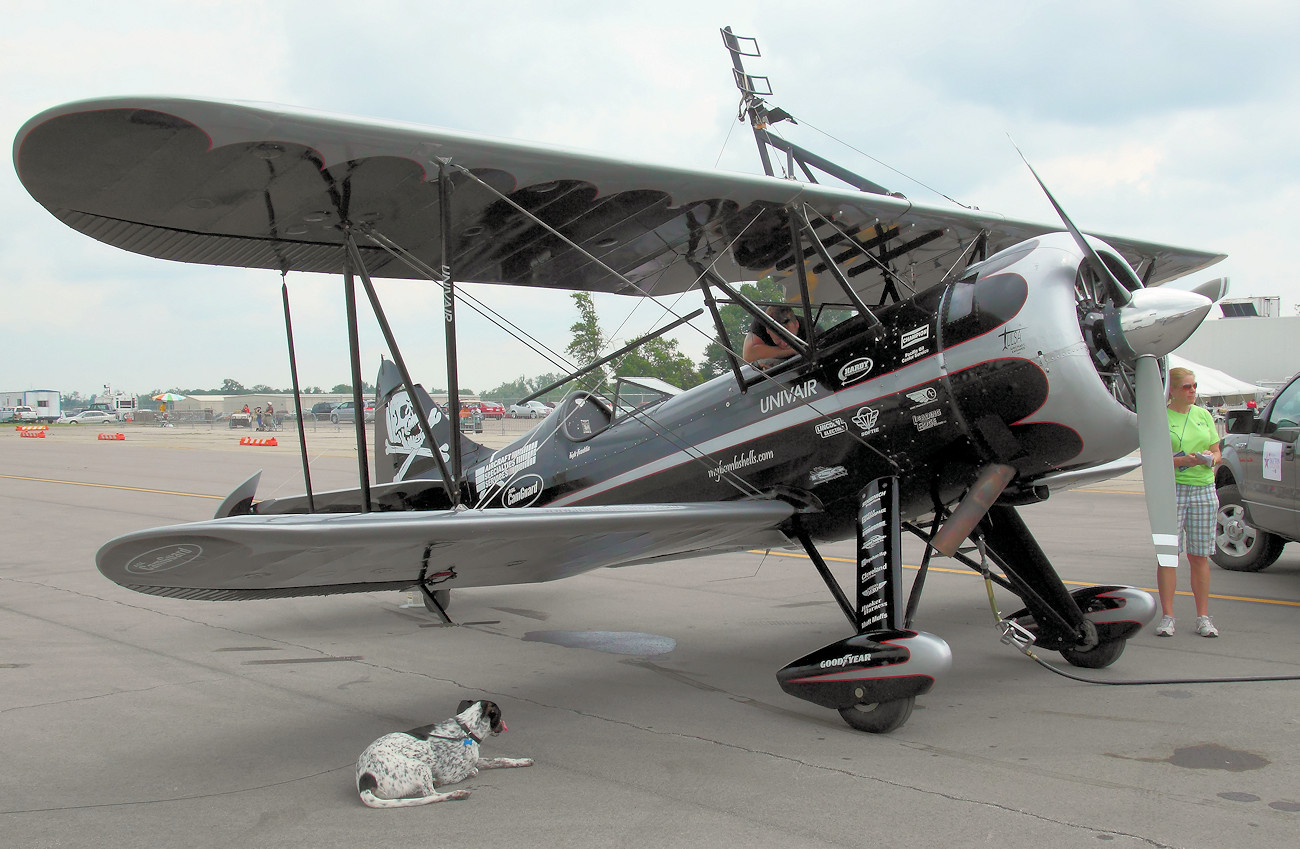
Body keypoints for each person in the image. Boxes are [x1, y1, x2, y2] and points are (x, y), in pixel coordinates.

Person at [1157, 367, 1221, 638]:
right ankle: (1168, 616)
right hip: (1173, 489)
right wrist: (1181, 461)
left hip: (1204, 489)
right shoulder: (1161, 417)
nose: (1192, 391)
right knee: (1168, 555)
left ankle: (1203, 617)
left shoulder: (1203, 415)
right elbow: (1154, 457)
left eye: (1194, 386)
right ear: (1171, 390)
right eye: (1186, 387)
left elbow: (1218, 451)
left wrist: (1211, 458)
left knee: (1199, 555)